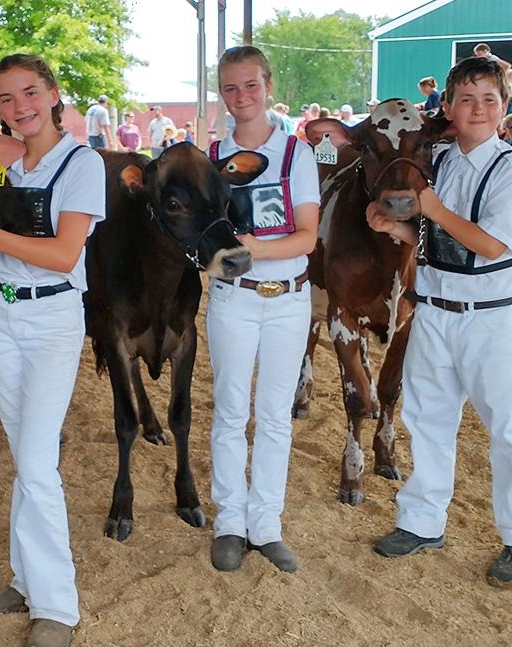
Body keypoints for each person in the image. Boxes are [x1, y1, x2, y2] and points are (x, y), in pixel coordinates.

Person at [367, 55, 512, 588]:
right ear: (447, 106)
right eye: (465, 98)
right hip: (435, 312)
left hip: (494, 320)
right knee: (427, 420)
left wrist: (430, 209)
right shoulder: (436, 161)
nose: (477, 108)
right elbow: (433, 244)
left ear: (504, 107)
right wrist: (392, 229)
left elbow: (493, 245)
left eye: (489, 99)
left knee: (510, 429)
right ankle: (422, 521)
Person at [0, 53, 106, 647]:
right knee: (25, 450)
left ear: (52, 93)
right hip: (3, 307)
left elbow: (66, 253)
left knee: (39, 461)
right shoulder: (6, 162)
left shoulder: (83, 163)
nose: (18, 107)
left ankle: (57, 607)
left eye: (28, 93)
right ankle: (26, 578)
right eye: (5, 99)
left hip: (51, 316)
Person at [205, 46, 319, 575]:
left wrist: (251, 248)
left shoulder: (296, 154)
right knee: (230, 410)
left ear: (268, 86)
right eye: (231, 87)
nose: (241, 96)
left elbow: (308, 236)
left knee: (274, 415)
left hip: (288, 299)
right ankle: (230, 520)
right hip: (233, 300)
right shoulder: (211, 159)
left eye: (250, 85)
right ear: (222, 94)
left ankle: (266, 523)